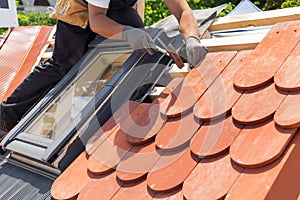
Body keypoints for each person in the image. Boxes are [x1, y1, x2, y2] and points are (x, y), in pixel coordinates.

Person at [0, 0, 207, 140]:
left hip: (116, 6)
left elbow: (183, 11)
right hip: (79, 8)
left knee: (143, 41)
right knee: (63, 64)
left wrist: (192, 39)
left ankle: (129, 102)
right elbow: (97, 19)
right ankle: (6, 115)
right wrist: (126, 34)